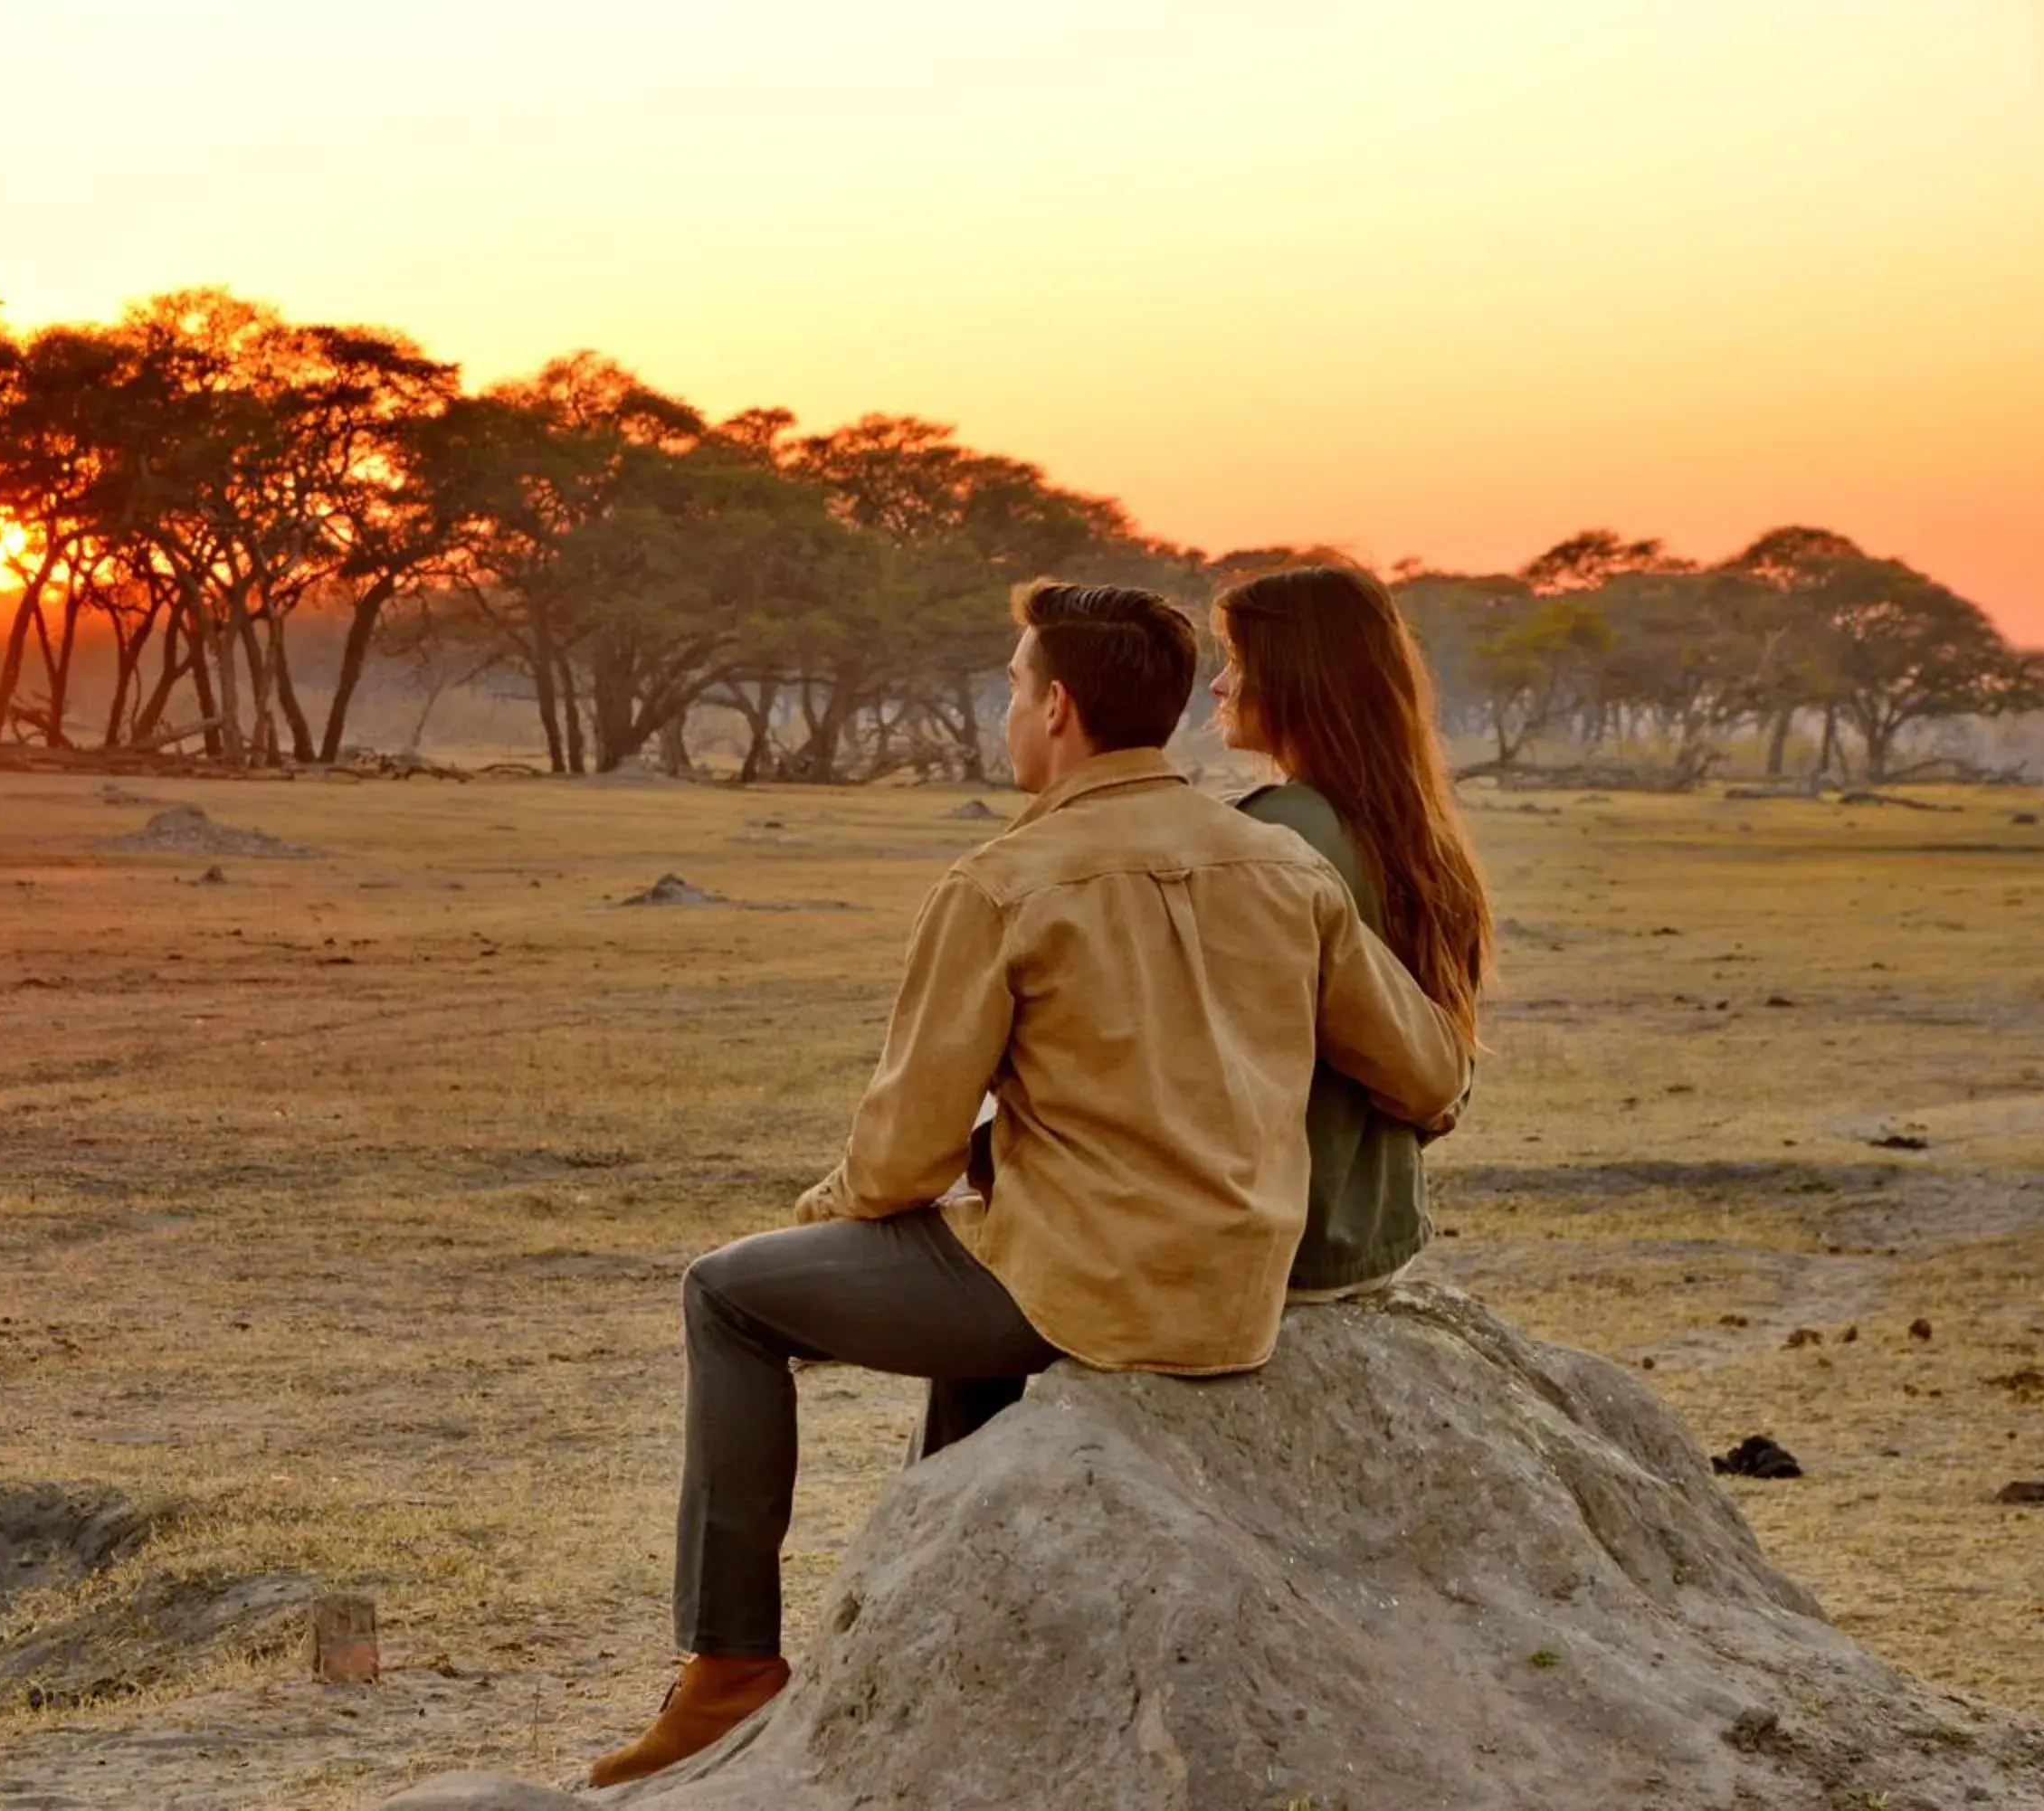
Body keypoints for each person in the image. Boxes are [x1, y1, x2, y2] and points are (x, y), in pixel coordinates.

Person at [585, 581, 1475, 1788]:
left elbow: (902, 1159)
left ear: (1057, 707)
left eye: (1012, 687)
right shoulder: (1281, 863)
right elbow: (1428, 1073)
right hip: (1237, 1294)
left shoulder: (1004, 881)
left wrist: (820, 1223)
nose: (1006, 711)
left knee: (728, 1295)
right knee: (979, 1268)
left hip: (1087, 1291)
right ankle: (939, 1606)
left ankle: (728, 1666)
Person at [1209, 564, 1495, 1302]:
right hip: (1375, 1230)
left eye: (1238, 662)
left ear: (1299, 676)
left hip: (1283, 1240)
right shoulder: (1421, 837)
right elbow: (1443, 1087)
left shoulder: (1278, 834)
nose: (1219, 685)